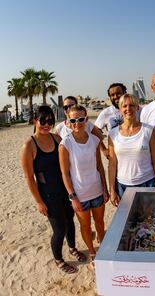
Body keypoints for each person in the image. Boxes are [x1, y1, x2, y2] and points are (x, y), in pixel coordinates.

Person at [20, 106, 86, 274]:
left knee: (70, 222)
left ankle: (72, 248)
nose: (46, 124)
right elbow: (29, 178)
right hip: (48, 195)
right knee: (59, 229)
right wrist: (39, 202)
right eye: (43, 120)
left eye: (50, 121)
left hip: (65, 191)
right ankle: (58, 259)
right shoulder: (29, 146)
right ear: (35, 121)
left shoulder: (57, 138)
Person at [59, 105, 109, 266]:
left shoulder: (94, 140)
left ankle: (104, 248)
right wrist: (72, 197)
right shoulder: (65, 144)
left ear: (86, 120)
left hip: (97, 192)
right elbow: (65, 173)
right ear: (68, 122)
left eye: (81, 119)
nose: (77, 123)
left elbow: (100, 167)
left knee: (100, 223)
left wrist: (105, 189)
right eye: (73, 120)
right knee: (85, 226)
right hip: (79, 195)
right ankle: (93, 252)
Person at [108, 94, 155, 207]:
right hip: (123, 186)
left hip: (147, 184)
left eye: (132, 105)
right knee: (129, 222)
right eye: (125, 106)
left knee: (148, 221)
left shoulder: (148, 130)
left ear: (137, 108)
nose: (128, 109)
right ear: (120, 109)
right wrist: (112, 191)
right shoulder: (113, 134)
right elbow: (112, 164)